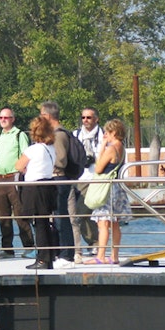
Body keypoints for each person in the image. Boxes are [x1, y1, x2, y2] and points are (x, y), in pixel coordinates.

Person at [87, 119, 132, 265]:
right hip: (117, 187)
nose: (105, 134)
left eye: (107, 132)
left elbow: (99, 168)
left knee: (103, 222)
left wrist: (102, 147)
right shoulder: (122, 147)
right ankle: (114, 256)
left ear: (113, 132)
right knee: (115, 223)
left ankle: (100, 256)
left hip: (107, 189)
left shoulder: (111, 148)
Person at [16, 117, 58, 270]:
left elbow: (19, 165)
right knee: (45, 223)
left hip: (34, 188)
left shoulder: (33, 149)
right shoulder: (51, 148)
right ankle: (49, 256)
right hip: (48, 186)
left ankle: (42, 259)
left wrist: (27, 169)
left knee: (38, 224)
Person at [0, 108, 34, 257]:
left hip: (14, 177)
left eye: (6, 117)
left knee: (20, 214)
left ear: (12, 119)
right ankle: (7, 248)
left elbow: (26, 155)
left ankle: (29, 247)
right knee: (3, 216)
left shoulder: (19, 135)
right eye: (1, 117)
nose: (3, 120)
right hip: (1, 179)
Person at [38, 101, 75, 269]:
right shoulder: (55, 133)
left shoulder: (59, 135)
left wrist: (45, 163)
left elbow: (61, 159)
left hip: (59, 178)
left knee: (61, 216)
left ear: (47, 116)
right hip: (56, 179)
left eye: (41, 115)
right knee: (58, 216)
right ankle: (60, 251)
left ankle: (67, 254)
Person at [71, 108, 101, 262]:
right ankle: (94, 242)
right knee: (82, 214)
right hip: (79, 178)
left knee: (83, 212)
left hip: (96, 178)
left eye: (89, 117)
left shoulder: (103, 135)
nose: (85, 120)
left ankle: (95, 243)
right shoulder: (76, 135)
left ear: (96, 118)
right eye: (83, 117)